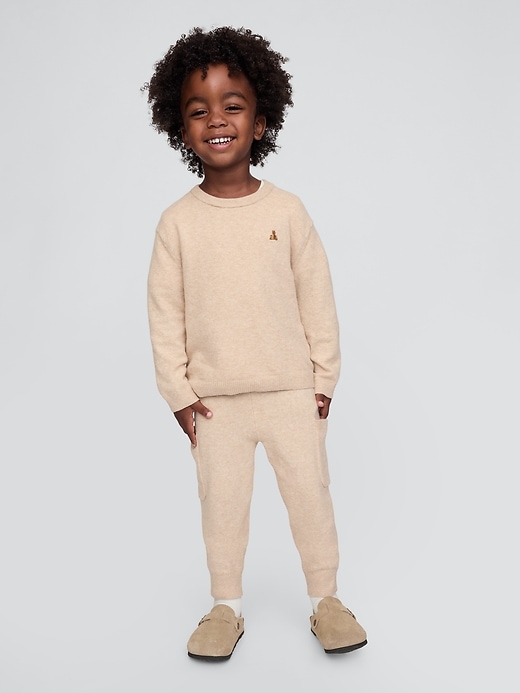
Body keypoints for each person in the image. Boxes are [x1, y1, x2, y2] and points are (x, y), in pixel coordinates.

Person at [143, 26, 367, 661]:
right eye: (199, 110)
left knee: (311, 499)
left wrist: (323, 380)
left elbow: (317, 297)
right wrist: (179, 395)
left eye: (233, 105)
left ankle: (326, 600)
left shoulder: (287, 212)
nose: (217, 119)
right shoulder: (177, 224)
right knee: (221, 508)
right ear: (181, 128)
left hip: (291, 392)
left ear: (261, 121)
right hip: (215, 404)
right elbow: (164, 315)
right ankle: (226, 607)